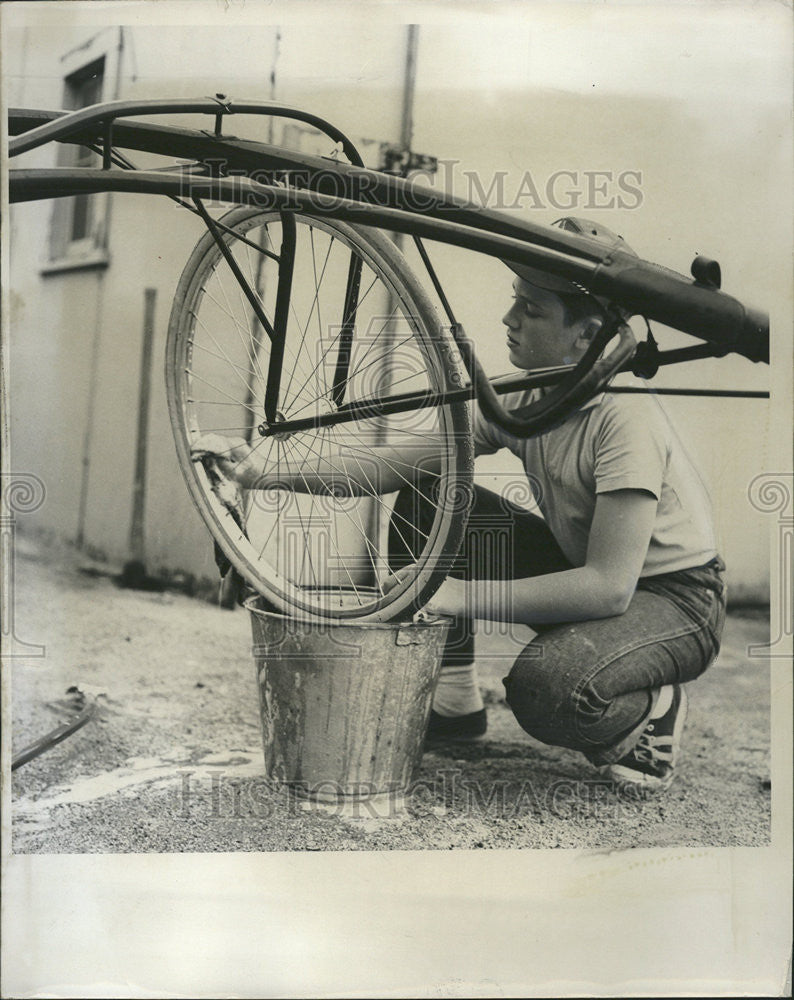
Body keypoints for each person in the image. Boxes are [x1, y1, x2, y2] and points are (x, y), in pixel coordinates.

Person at [193, 217, 727, 795]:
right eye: (514, 300)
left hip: (676, 599)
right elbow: (389, 465)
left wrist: (452, 594)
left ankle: (651, 710)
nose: (509, 319)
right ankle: (454, 702)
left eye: (534, 310)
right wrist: (260, 469)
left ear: (588, 334)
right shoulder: (529, 394)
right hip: (594, 574)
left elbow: (607, 588)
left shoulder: (624, 418)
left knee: (548, 688)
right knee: (429, 495)